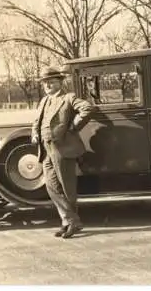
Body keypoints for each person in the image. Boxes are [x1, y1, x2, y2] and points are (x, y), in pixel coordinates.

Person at [31, 66, 95, 239]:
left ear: (60, 82)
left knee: (67, 188)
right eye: (45, 83)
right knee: (52, 187)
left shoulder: (68, 98)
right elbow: (37, 121)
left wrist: (72, 127)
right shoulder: (44, 101)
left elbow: (88, 109)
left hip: (62, 148)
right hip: (45, 148)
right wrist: (35, 134)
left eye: (51, 82)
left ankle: (69, 223)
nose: (48, 85)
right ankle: (70, 221)